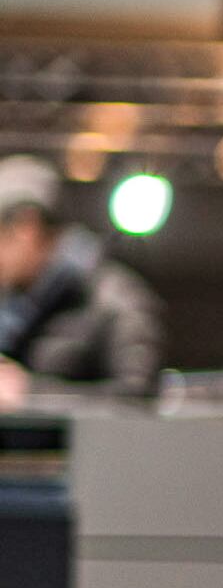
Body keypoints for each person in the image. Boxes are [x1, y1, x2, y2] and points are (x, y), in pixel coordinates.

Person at [0, 156, 163, 405]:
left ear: (27, 229)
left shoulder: (118, 302)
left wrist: (31, 394)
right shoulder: (13, 304)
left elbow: (136, 403)